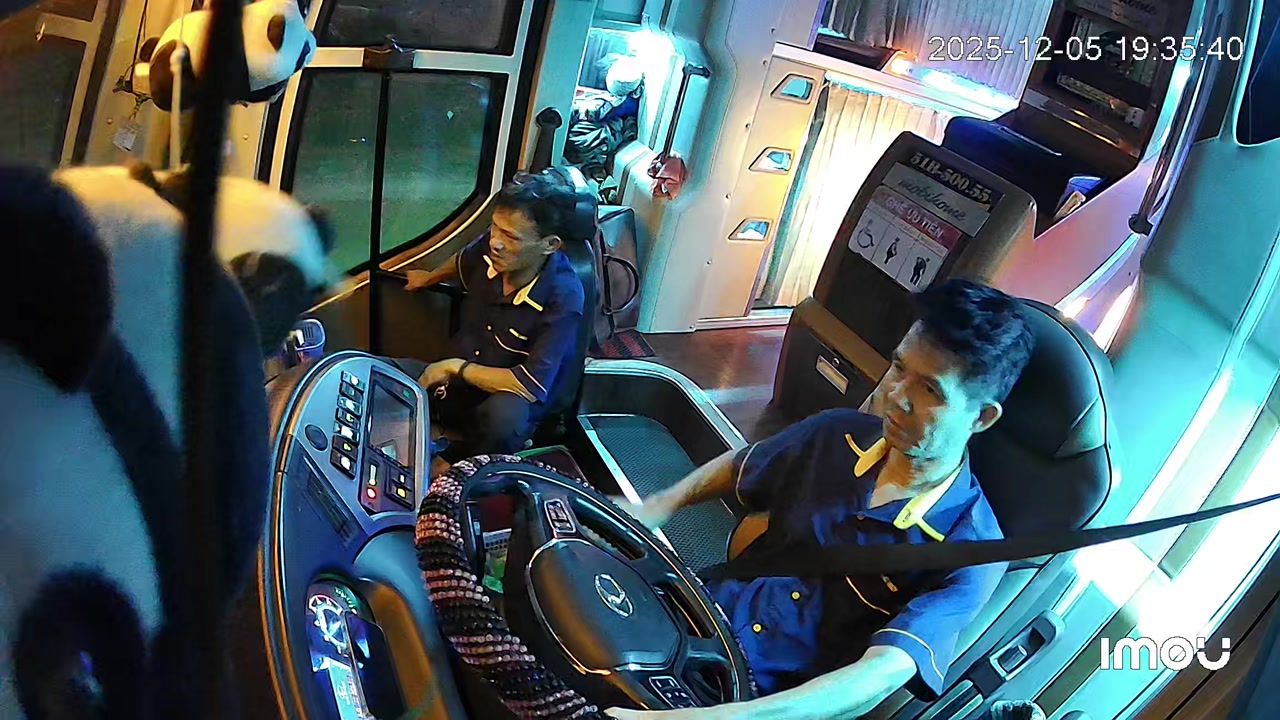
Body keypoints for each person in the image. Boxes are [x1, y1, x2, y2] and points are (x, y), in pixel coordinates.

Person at [606, 278, 1036, 720]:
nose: (896, 396)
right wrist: (659, 505)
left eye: (929, 390)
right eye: (898, 367)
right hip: (698, 620)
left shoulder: (973, 550)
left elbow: (882, 671)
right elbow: (741, 466)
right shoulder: (834, 433)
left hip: (761, 702)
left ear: (982, 417)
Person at [405, 171, 585, 474]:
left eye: (511, 237)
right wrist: (429, 277)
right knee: (379, 372)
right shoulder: (491, 250)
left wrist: (455, 368)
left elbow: (528, 386)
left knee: (506, 418)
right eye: (495, 228)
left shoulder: (564, 297)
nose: (496, 243)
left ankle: (454, 464)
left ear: (550, 244)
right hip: (458, 387)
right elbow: (462, 260)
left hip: (498, 403)